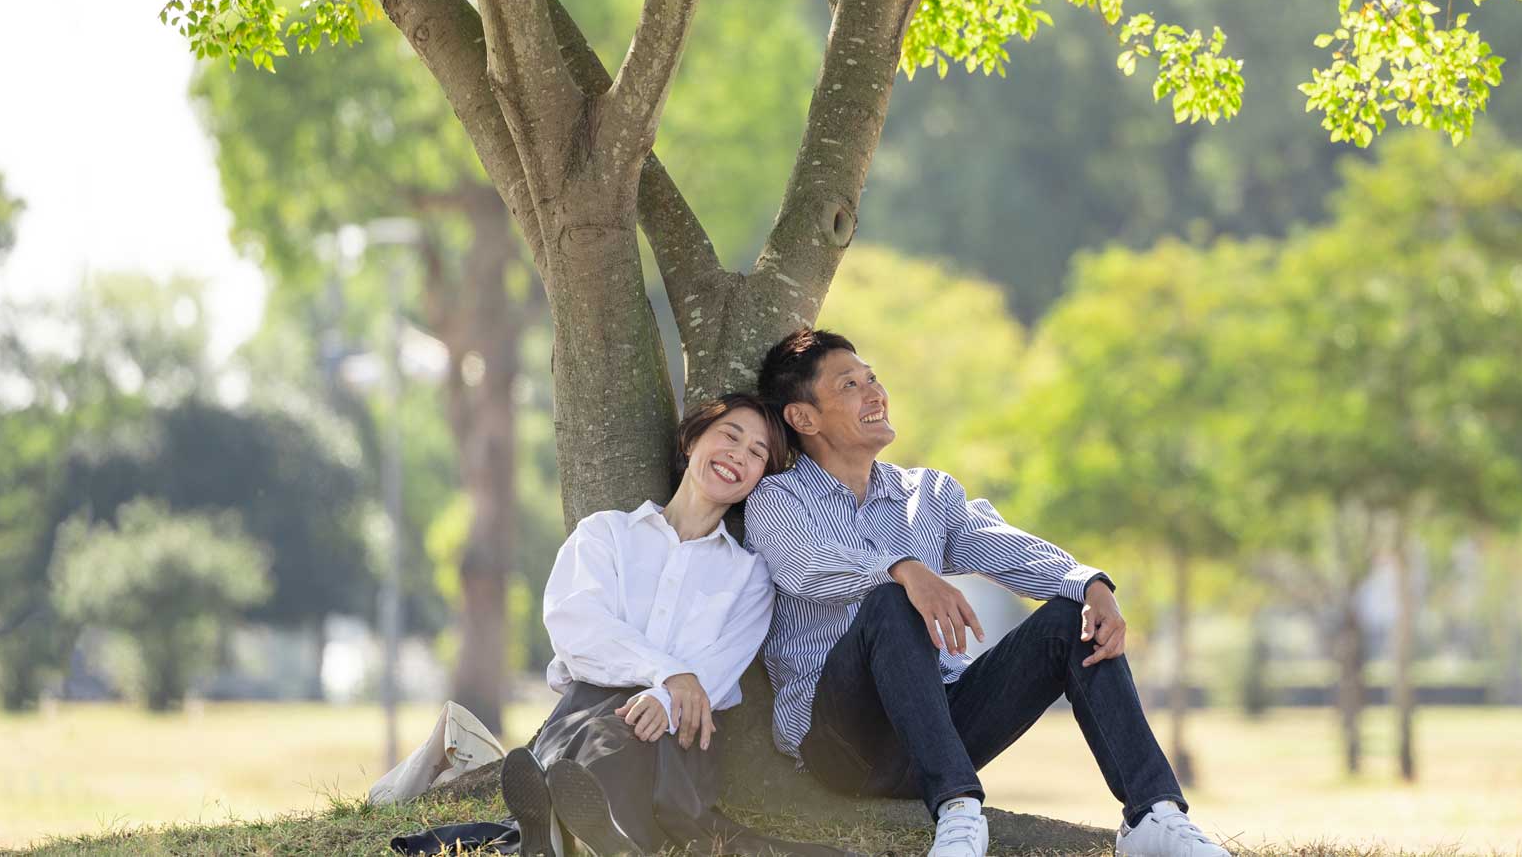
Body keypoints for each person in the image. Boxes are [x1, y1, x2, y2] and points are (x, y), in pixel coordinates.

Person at [747, 329, 1233, 857]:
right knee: (889, 600)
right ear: (804, 418)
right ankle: (959, 815)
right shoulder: (778, 497)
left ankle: (1153, 817)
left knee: (1072, 618)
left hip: (944, 728)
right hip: (845, 745)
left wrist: (1089, 582)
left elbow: (1003, 547)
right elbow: (808, 566)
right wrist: (906, 570)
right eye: (849, 385)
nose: (874, 393)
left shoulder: (926, 495)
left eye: (873, 378)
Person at [493, 393, 841, 857]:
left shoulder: (750, 575)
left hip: (680, 730)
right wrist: (669, 674)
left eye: (758, 453)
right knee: (600, 735)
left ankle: (560, 832)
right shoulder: (605, 534)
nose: (740, 454)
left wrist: (663, 695)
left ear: (761, 478)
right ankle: (586, 833)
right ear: (691, 441)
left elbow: (718, 669)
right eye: (730, 436)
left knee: (633, 736)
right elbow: (578, 626)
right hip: (585, 709)